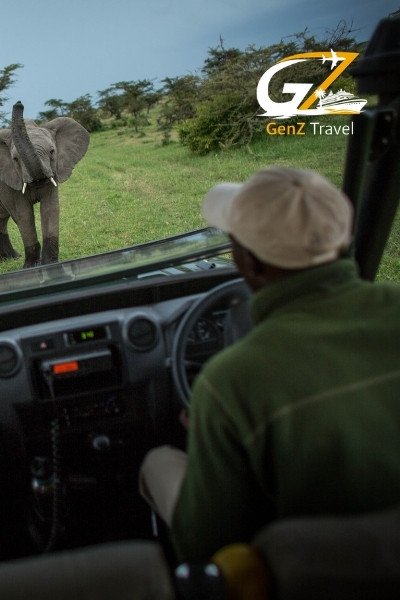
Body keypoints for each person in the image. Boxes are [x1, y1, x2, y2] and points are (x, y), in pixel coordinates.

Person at [139, 166, 400, 562]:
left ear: (250, 264)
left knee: (158, 461)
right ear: (341, 236)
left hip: (316, 571)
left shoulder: (229, 381)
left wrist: (210, 430)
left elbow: (209, 544)